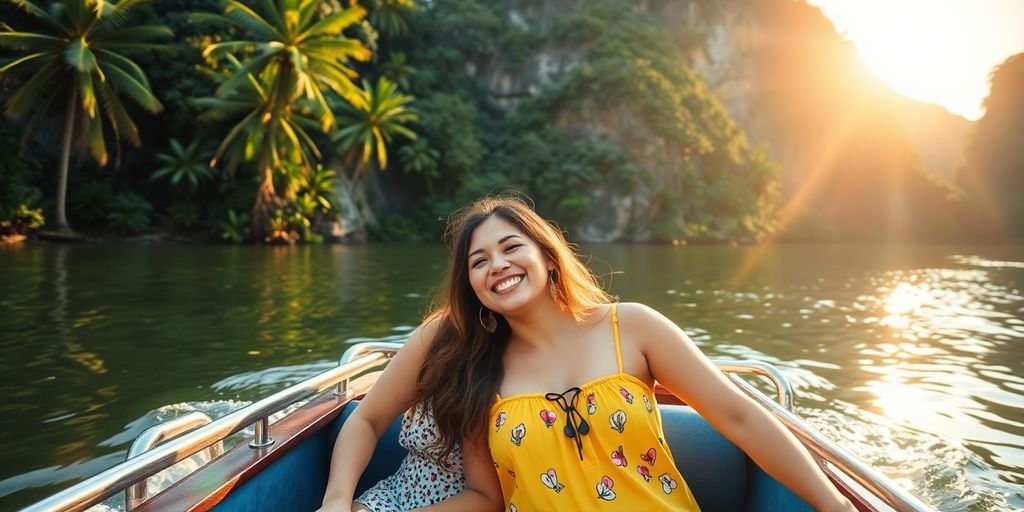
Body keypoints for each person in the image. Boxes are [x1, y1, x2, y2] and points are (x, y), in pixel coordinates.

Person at [320, 196, 855, 512]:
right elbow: (488, 498)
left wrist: (834, 506)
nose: (497, 266)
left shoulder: (633, 327)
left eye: (511, 248)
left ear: (547, 257)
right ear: (473, 287)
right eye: (478, 262)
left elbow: (741, 417)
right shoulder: (475, 371)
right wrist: (340, 505)